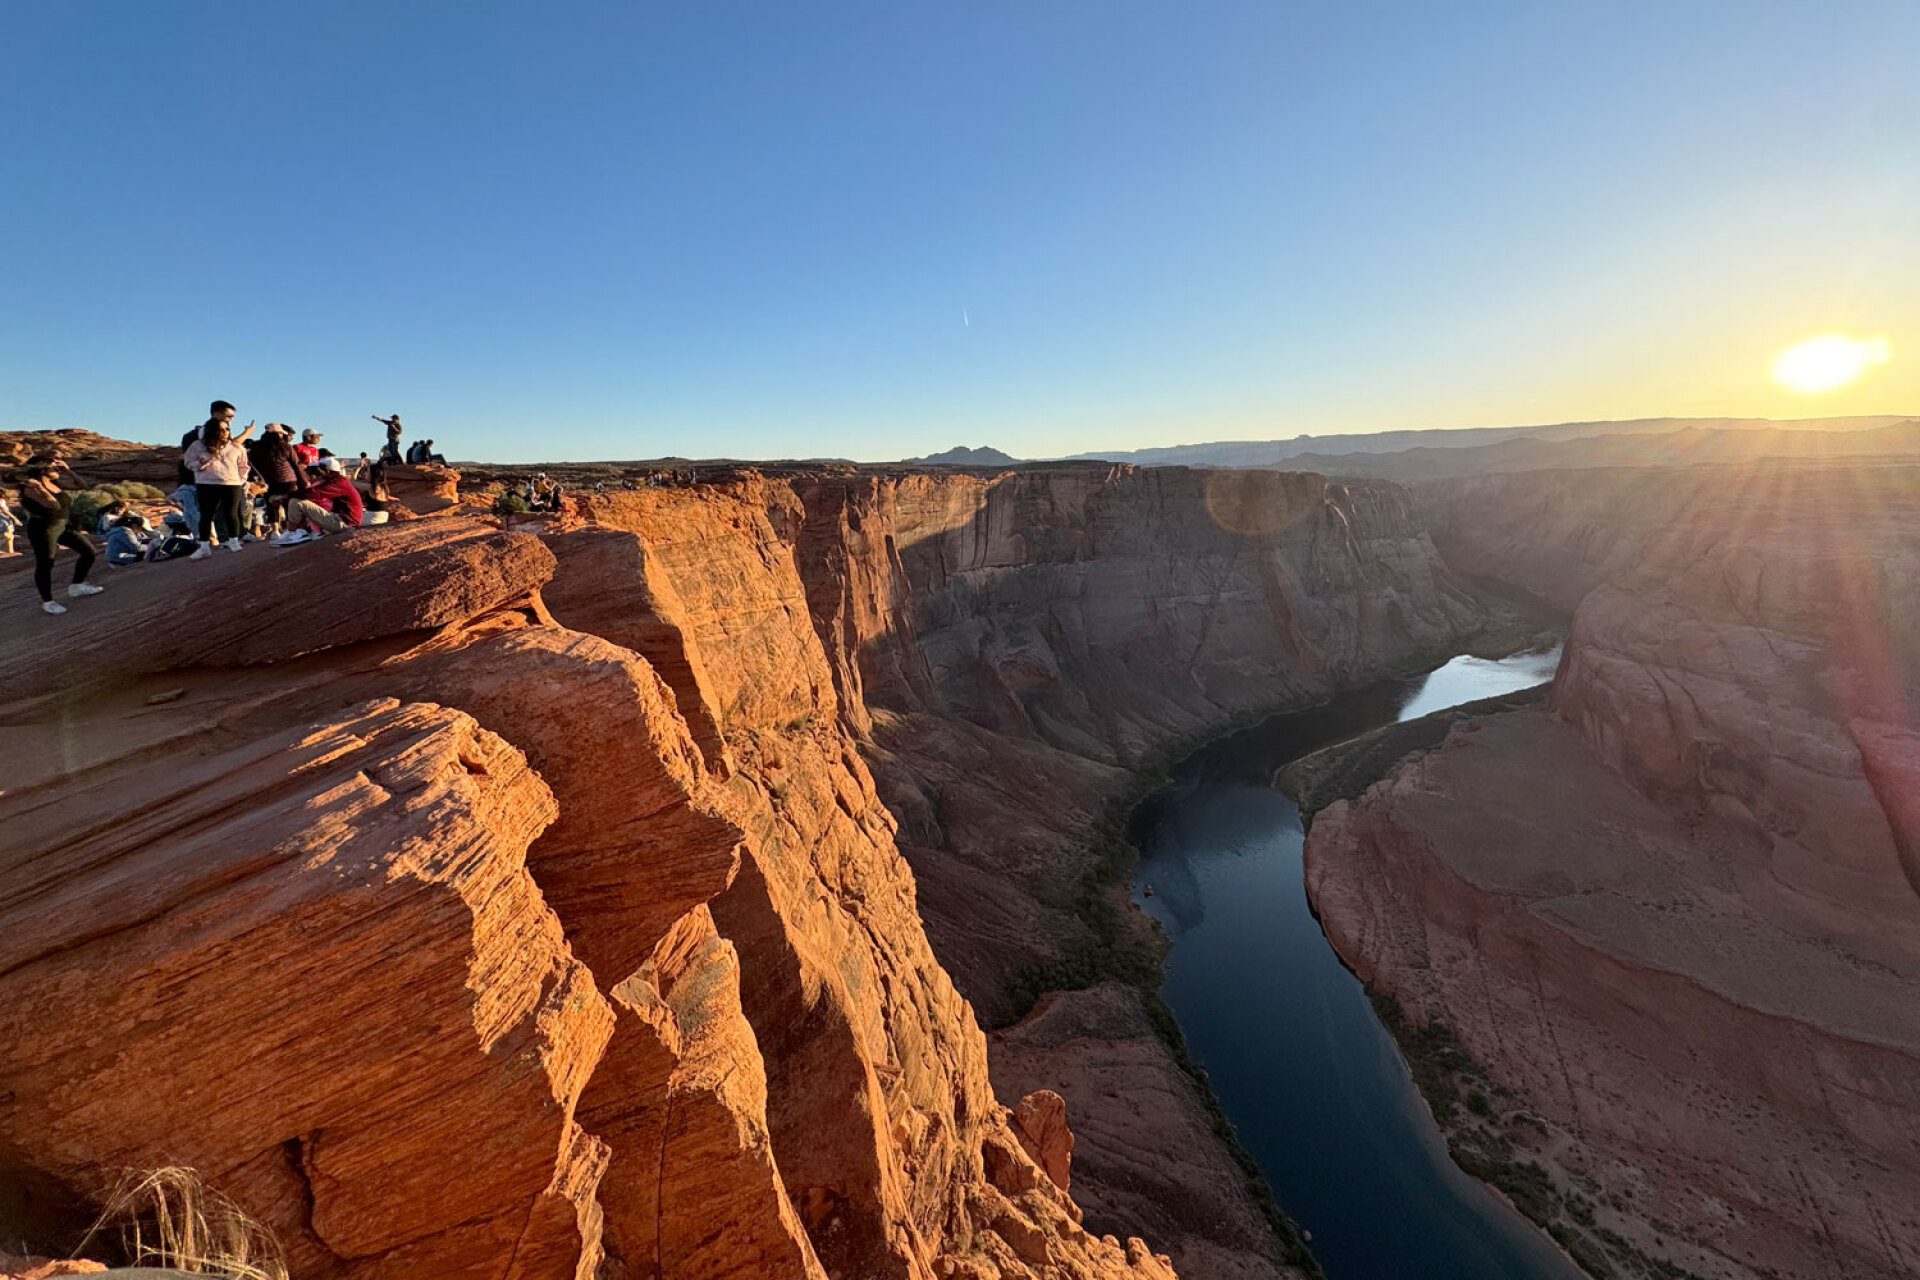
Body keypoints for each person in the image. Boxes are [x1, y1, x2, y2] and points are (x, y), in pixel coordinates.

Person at [18, 455, 100, 615]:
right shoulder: (30, 487)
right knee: (46, 563)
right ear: (42, 469)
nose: (57, 469)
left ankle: (77, 586)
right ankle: (47, 601)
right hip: (43, 529)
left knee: (89, 552)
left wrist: (68, 471)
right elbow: (53, 505)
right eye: (53, 467)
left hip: (62, 526)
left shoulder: (54, 482)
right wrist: (40, 488)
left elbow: (82, 485)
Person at [182, 411, 255, 558]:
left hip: (231, 484)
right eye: (221, 429)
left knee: (231, 513)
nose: (226, 432)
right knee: (206, 515)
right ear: (212, 431)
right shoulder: (198, 446)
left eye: (227, 429)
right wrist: (201, 463)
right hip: (206, 484)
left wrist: (240, 480)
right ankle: (204, 547)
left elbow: (243, 466)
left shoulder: (236, 447)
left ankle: (234, 541)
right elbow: (188, 462)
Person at [274, 458, 364, 542]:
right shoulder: (336, 480)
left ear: (328, 471)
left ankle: (292, 532)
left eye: (319, 469)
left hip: (344, 523)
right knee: (299, 500)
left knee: (296, 502)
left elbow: (312, 493)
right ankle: (299, 531)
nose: (317, 473)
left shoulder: (338, 482)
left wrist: (282, 496)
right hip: (343, 521)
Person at [251, 424, 301, 531]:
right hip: (288, 479)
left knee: (271, 505)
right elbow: (296, 464)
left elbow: (253, 465)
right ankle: (290, 530)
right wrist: (303, 480)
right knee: (288, 505)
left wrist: (256, 480)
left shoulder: (257, 446)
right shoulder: (286, 446)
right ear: (278, 434)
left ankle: (275, 531)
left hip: (268, 480)